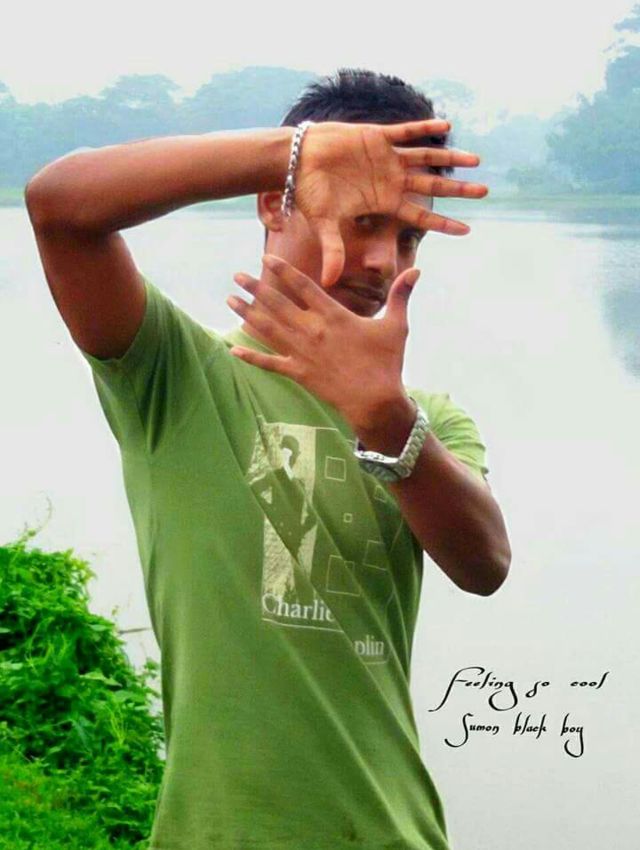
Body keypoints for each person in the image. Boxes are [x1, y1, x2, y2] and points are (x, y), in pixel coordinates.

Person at [25, 68, 511, 850]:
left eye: (408, 237)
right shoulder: (174, 374)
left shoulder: (430, 420)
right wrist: (292, 155)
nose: (383, 261)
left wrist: (386, 419)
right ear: (272, 204)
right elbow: (60, 208)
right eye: (362, 220)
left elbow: (485, 562)